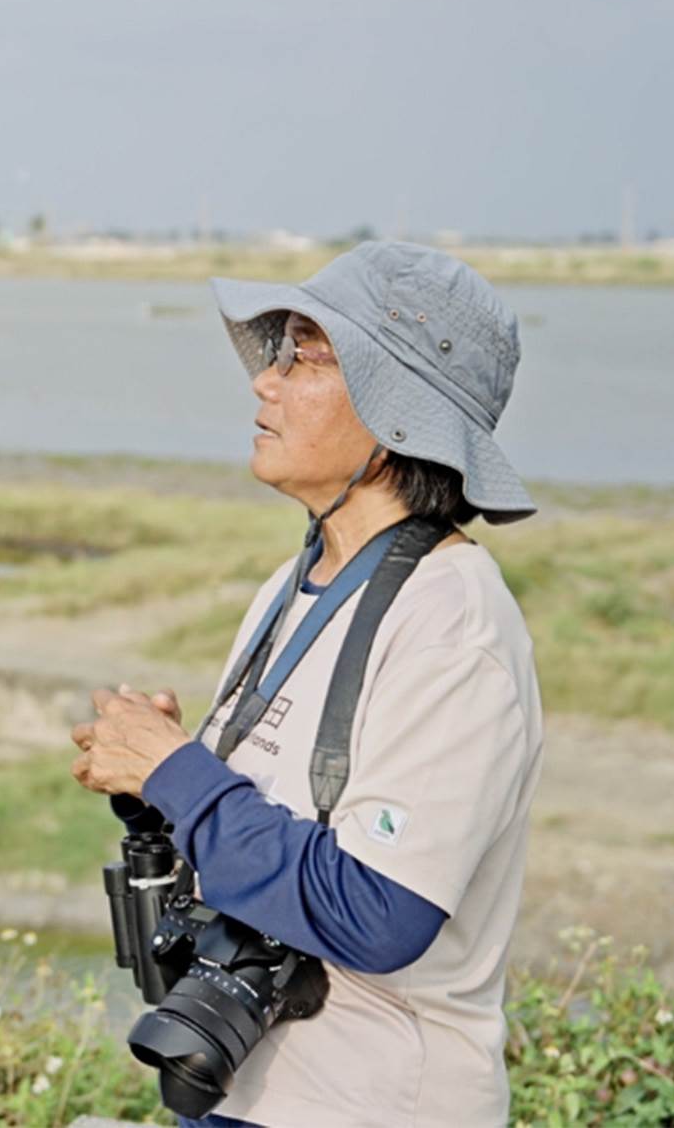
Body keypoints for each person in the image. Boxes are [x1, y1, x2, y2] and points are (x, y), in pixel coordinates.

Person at [72, 242, 545, 1127]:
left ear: (398, 415)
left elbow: (378, 911)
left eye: (309, 357)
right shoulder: (300, 583)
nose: (267, 382)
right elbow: (263, 832)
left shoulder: (452, 624)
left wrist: (180, 773)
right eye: (278, 352)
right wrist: (154, 789)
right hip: (247, 1093)